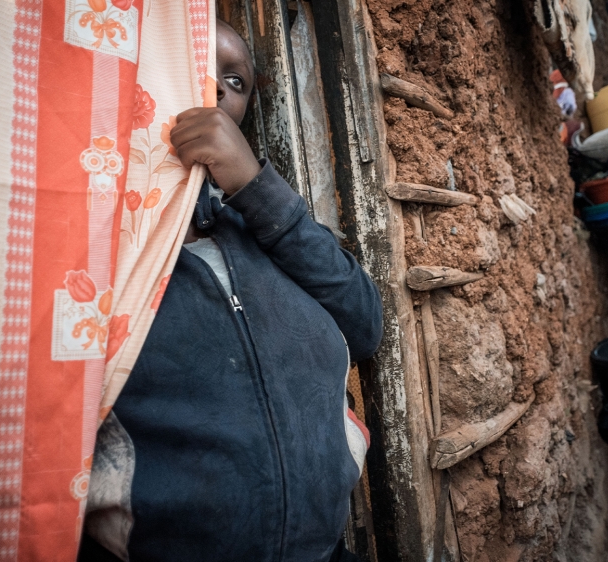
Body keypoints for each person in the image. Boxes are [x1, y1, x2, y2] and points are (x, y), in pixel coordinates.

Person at [77, 20, 383, 562]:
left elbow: (365, 325)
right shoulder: (94, 243)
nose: (218, 87)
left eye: (236, 81)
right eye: (197, 62)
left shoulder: (269, 230)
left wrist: (253, 186)